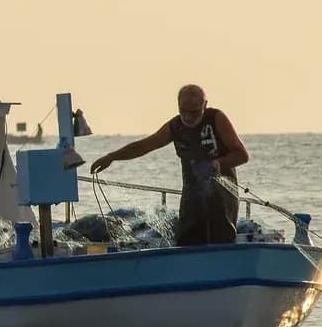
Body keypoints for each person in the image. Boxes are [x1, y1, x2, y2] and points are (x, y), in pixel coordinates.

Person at [89, 84, 249, 245]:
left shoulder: (216, 119)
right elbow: (144, 146)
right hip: (192, 194)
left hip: (221, 195)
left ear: (204, 105)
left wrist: (218, 163)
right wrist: (111, 157)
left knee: (221, 238)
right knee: (186, 240)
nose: (188, 117)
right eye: (183, 111)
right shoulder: (175, 127)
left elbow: (242, 155)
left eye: (194, 112)